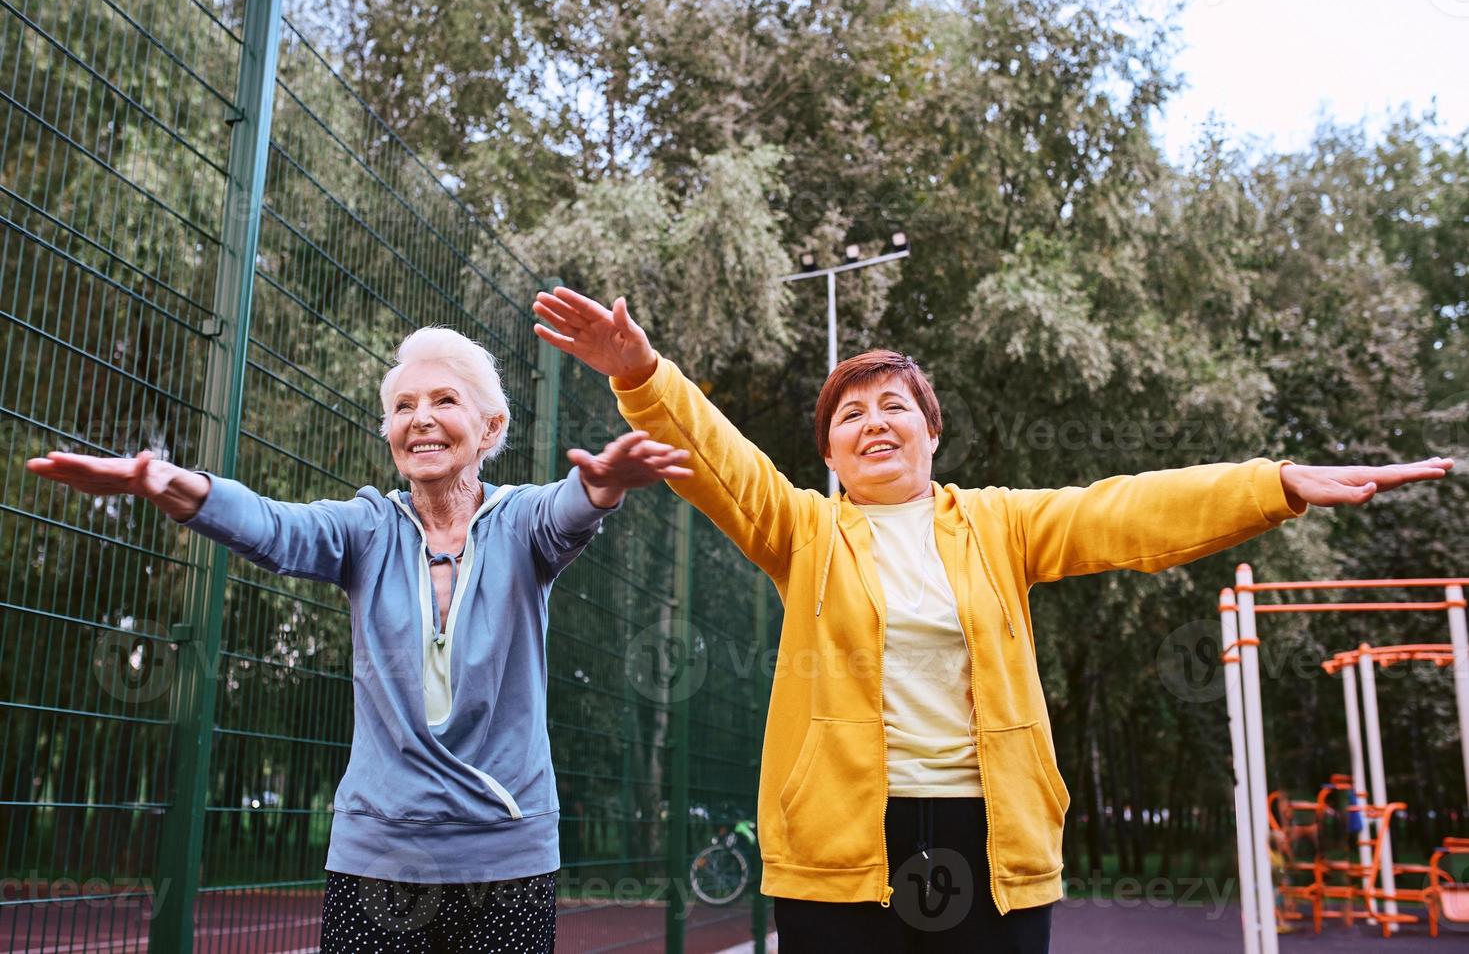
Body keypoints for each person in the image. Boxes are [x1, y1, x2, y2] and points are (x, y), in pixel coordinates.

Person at [531, 285, 1454, 954]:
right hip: (843, 843)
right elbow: (724, 462)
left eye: (896, 405)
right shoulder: (804, 531)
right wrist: (642, 374)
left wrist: (1272, 483)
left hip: (990, 833)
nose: (874, 421)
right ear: (829, 450)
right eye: (850, 414)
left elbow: (1123, 513)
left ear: (933, 434)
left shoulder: (1000, 525)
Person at [26, 326, 692, 954]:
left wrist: (599, 484)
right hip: (375, 862)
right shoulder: (364, 528)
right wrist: (175, 485)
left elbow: (565, 511)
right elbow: (272, 527)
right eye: (402, 406)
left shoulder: (520, 525)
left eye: (444, 400)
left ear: (491, 428)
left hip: (506, 860)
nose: (420, 418)